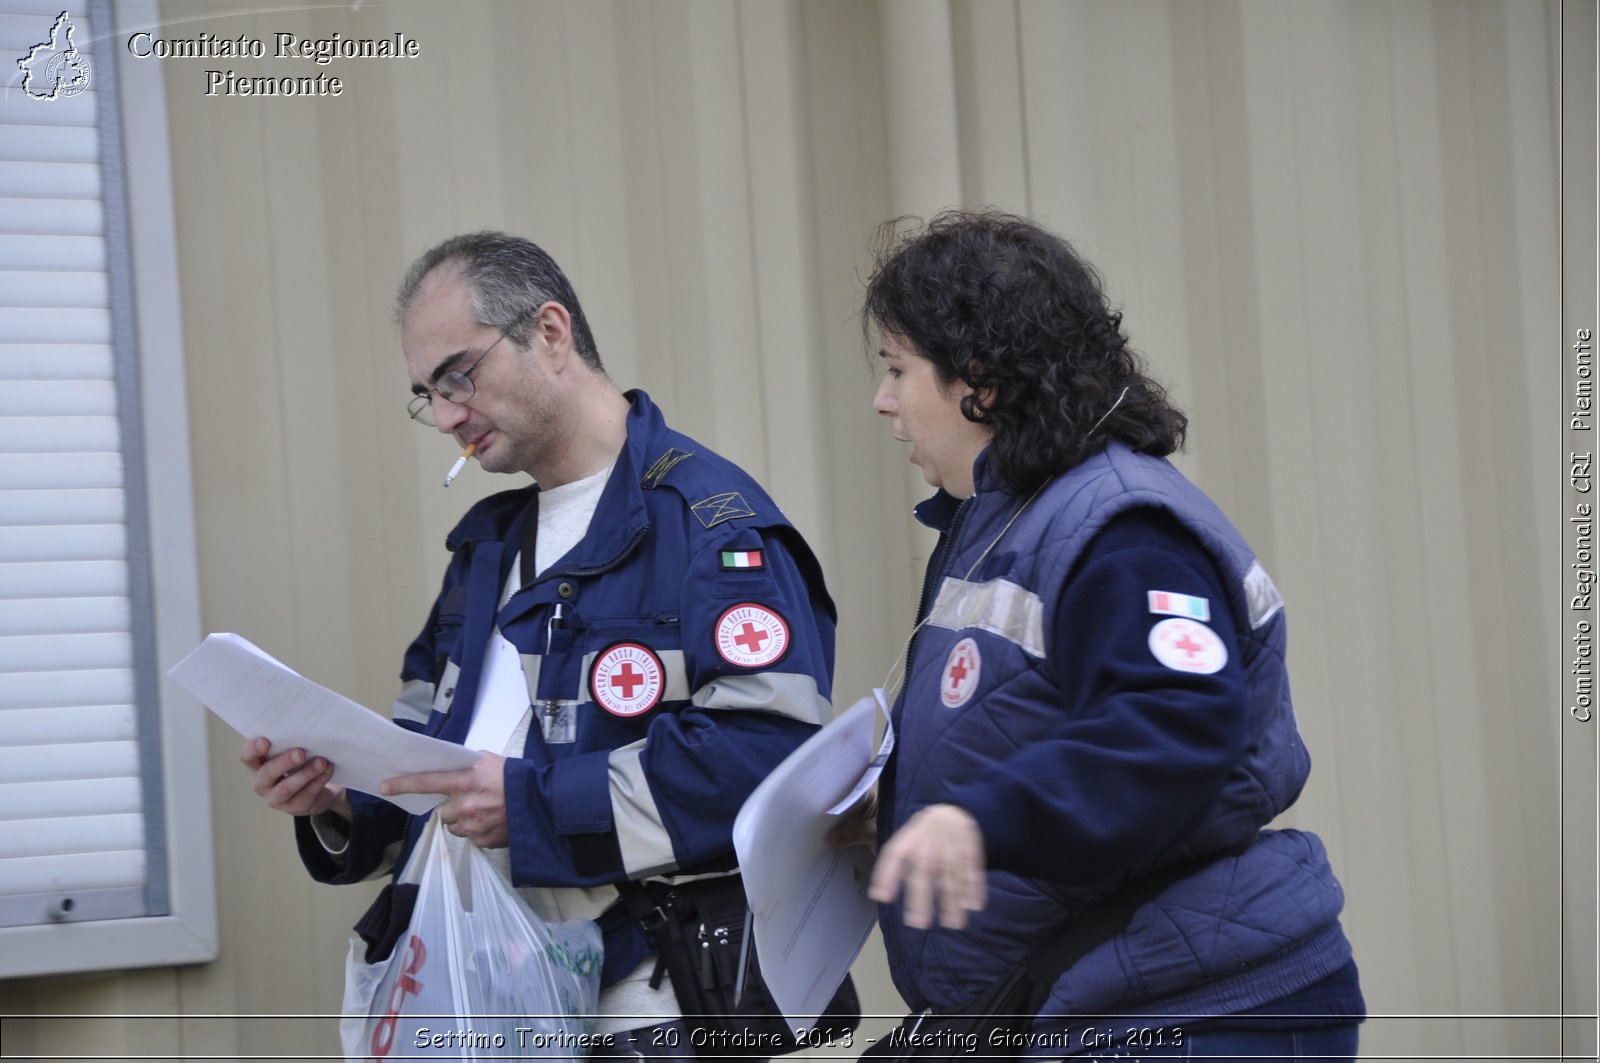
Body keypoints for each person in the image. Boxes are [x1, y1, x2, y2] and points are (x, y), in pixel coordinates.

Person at [240, 231, 837, 1055]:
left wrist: (529, 805)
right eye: (427, 393)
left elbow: (767, 756)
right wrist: (339, 801)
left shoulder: (711, 527)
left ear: (550, 333)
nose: (447, 415)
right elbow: (428, 763)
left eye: (458, 373)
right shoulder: (485, 547)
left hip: (646, 1008)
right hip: (483, 1001)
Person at [841, 210, 1364, 1060]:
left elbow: (1174, 724)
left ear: (979, 378)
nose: (884, 400)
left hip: (1200, 1013)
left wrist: (976, 821)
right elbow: (1021, 718)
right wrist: (897, 806)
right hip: (1093, 1006)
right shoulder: (1002, 522)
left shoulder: (1118, 524)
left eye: (899, 368)